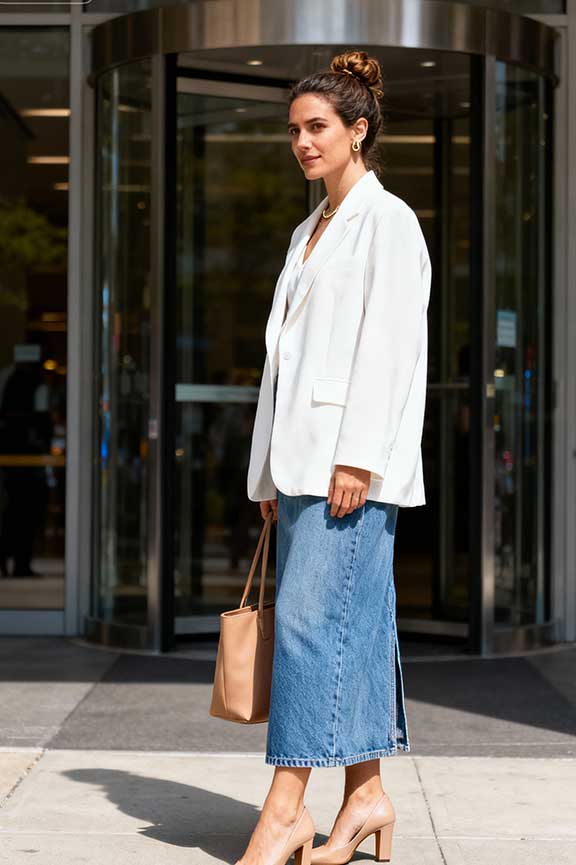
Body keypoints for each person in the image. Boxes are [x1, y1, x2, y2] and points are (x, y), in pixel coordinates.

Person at [241, 50, 432, 865]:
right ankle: (366, 796)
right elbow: (282, 362)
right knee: (350, 630)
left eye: (317, 127)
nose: (303, 142)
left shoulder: (387, 222)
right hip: (301, 465)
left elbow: (388, 350)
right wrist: (266, 471)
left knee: (312, 634)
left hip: (347, 468)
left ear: (359, 130)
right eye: (294, 130)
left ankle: (286, 809)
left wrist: (357, 459)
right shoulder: (307, 230)